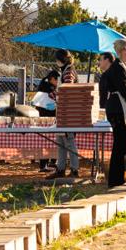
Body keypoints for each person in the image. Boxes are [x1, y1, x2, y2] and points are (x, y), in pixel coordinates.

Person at [98, 41, 126, 188]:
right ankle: (116, 180)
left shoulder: (122, 67)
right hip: (118, 109)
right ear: (120, 52)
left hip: (119, 108)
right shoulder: (118, 68)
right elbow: (125, 89)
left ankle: (117, 178)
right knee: (119, 145)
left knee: (120, 145)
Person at [49, 49, 80, 179]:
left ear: (61, 59)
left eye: (57, 59)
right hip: (63, 111)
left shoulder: (68, 72)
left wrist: (53, 94)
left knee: (69, 141)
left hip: (68, 112)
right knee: (61, 141)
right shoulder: (66, 70)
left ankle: (74, 169)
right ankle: (60, 169)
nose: (56, 62)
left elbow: (67, 89)